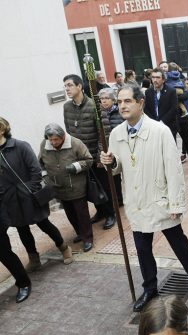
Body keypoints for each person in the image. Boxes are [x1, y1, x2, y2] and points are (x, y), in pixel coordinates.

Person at [100, 84, 188, 313]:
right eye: (120, 102)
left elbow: (174, 168)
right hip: (136, 201)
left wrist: (176, 202)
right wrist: (111, 162)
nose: (123, 106)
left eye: (128, 101)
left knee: (177, 240)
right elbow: (118, 166)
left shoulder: (160, 130)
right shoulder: (116, 134)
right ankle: (150, 289)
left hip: (161, 199)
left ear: (140, 103)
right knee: (142, 248)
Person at [0, 118, 72, 272]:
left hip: (29, 195)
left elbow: (36, 171)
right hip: (11, 199)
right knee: (22, 230)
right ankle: (34, 258)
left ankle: (64, 248)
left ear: (2, 130)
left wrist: (27, 189)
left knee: (44, 223)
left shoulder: (20, 146)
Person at [62, 74, 115, 230]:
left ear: (79, 86)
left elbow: (104, 133)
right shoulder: (67, 107)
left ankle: (110, 213)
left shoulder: (94, 106)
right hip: (79, 157)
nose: (67, 89)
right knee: (88, 189)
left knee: (103, 187)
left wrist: (100, 156)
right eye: (65, 86)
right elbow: (68, 131)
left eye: (70, 85)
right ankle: (100, 212)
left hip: (94, 155)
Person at [39, 123, 94, 252]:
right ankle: (80, 233)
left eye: (55, 139)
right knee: (69, 212)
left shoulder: (75, 143)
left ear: (63, 137)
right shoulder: (44, 145)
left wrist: (75, 166)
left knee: (82, 213)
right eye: (50, 139)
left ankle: (88, 238)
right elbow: (40, 163)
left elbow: (89, 160)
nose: (53, 142)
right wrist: (45, 176)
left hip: (76, 186)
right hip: (58, 187)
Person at [145, 68, 188, 172]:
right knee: (164, 148)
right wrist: (154, 122)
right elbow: (147, 109)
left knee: (186, 140)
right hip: (156, 125)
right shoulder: (148, 92)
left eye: (157, 77)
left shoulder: (171, 90)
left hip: (174, 121)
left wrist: (162, 122)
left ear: (163, 79)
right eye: (153, 77)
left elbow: (174, 108)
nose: (155, 80)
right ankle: (170, 169)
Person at [99, 87, 124, 205]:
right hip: (106, 148)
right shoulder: (99, 113)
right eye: (101, 98)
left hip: (119, 146)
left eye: (106, 98)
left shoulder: (119, 112)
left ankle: (120, 197)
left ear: (113, 100)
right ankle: (115, 198)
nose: (103, 101)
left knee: (118, 174)